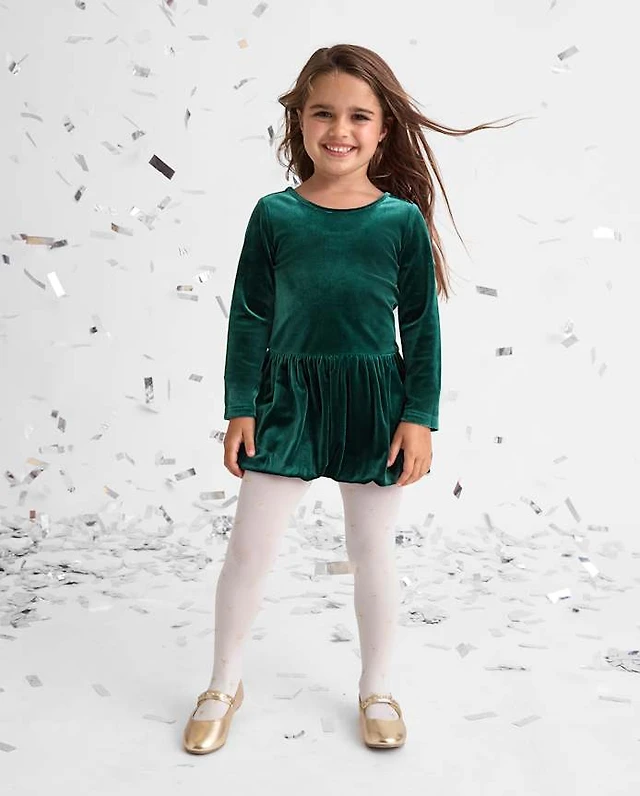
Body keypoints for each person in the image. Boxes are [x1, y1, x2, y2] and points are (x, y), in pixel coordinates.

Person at [183, 44, 523, 754]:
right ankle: (223, 682)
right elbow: (249, 315)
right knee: (249, 551)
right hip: (285, 402)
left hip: (375, 405)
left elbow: (421, 329)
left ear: (383, 129)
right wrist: (240, 406)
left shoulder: (400, 222)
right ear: (300, 122)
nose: (340, 129)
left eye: (359, 116)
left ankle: (377, 687)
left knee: (372, 553)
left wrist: (419, 418)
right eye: (324, 113)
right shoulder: (273, 215)